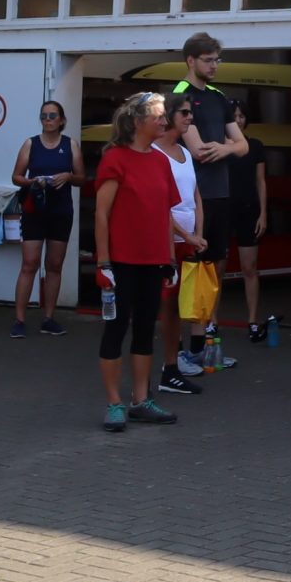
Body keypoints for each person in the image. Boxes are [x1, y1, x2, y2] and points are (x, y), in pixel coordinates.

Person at [91, 91, 188, 431]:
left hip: (153, 261)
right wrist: (103, 263)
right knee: (116, 328)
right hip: (121, 262)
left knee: (146, 329)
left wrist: (170, 259)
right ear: (137, 121)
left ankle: (141, 400)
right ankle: (114, 403)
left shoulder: (160, 161)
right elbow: (101, 214)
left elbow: (165, 215)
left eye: (164, 116)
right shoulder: (115, 159)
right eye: (158, 116)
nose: (164, 121)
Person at [176, 33, 250, 372]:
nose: (214, 65)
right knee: (192, 270)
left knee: (213, 270)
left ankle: (205, 342)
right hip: (195, 197)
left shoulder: (219, 97)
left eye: (217, 60)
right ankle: (185, 349)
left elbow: (242, 145)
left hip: (220, 193)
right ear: (191, 60)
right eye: (208, 60)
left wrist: (225, 147)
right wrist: (224, 148)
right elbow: (198, 151)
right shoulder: (180, 95)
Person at [11, 99, 83, 339]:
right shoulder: (30, 143)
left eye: (52, 116)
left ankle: (48, 318)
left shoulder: (70, 144)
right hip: (35, 210)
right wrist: (33, 182)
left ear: (61, 120)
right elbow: (16, 176)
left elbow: (82, 178)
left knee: (54, 265)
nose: (48, 120)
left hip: (60, 211)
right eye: (44, 116)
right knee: (29, 264)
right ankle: (19, 320)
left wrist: (68, 176)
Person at [155, 96, 210, 394]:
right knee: (166, 304)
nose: (190, 117)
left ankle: (173, 365)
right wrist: (187, 236)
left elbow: (196, 195)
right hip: (166, 241)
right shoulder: (154, 152)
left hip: (188, 240)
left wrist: (198, 233)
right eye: (185, 113)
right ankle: (169, 364)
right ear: (169, 115)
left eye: (191, 113)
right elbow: (160, 206)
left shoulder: (186, 152)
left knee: (179, 304)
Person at [233, 112, 271, 337]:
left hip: (249, 210)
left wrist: (263, 214)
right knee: (215, 268)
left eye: (241, 116)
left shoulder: (255, 145)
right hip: (222, 210)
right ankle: (211, 320)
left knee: (250, 267)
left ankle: (252, 320)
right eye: (233, 116)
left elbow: (261, 181)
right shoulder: (217, 146)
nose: (238, 120)